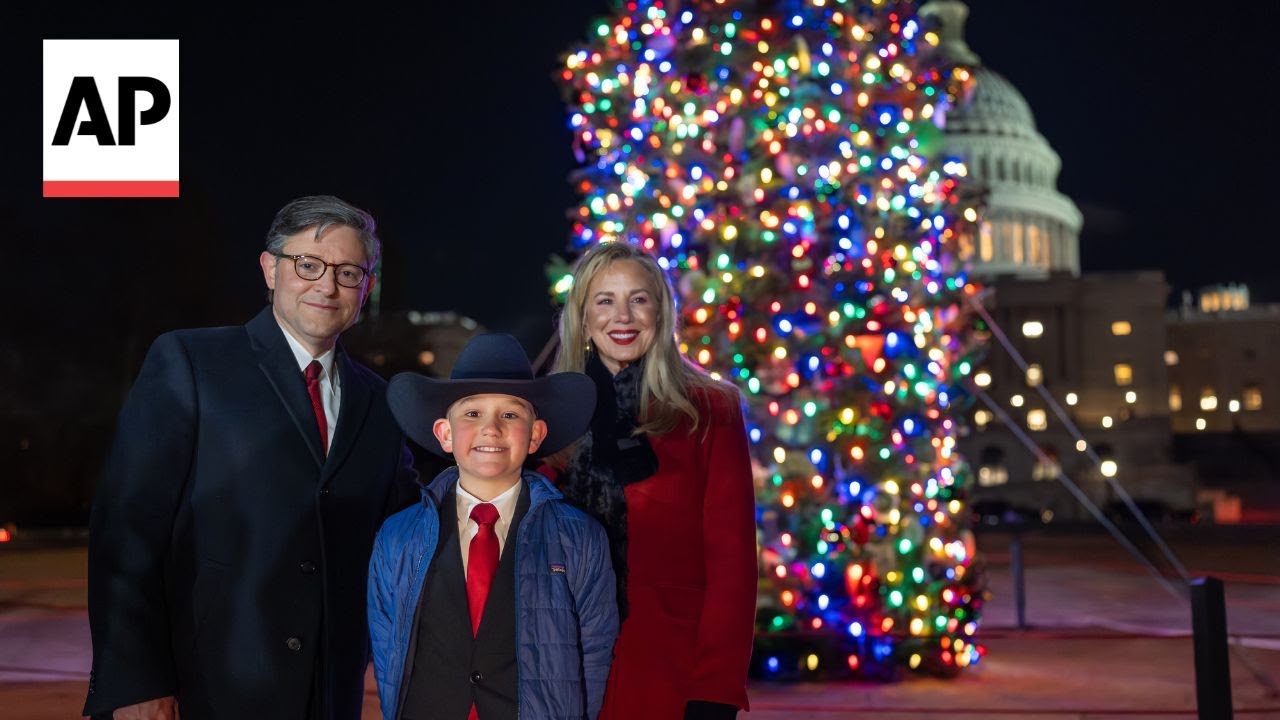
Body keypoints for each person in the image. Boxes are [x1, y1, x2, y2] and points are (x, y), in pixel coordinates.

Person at [83, 195, 418, 720]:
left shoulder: (383, 404)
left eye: (348, 272)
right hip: (203, 690)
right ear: (270, 268)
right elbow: (127, 530)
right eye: (308, 265)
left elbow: (409, 530)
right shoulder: (192, 363)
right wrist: (134, 682)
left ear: (366, 287)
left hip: (328, 693)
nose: (327, 286)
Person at [549, 242, 757, 720]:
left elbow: (733, 565)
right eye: (605, 300)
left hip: (669, 668)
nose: (622, 316)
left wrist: (716, 690)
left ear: (661, 312)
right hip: (564, 670)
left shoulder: (712, 409)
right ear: (582, 315)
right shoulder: (553, 414)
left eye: (638, 299)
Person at [369, 333, 618, 720]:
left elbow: (595, 653)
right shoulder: (398, 537)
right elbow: (388, 652)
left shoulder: (579, 538)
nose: (491, 428)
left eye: (511, 414)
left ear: (535, 435)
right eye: (472, 413)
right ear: (445, 434)